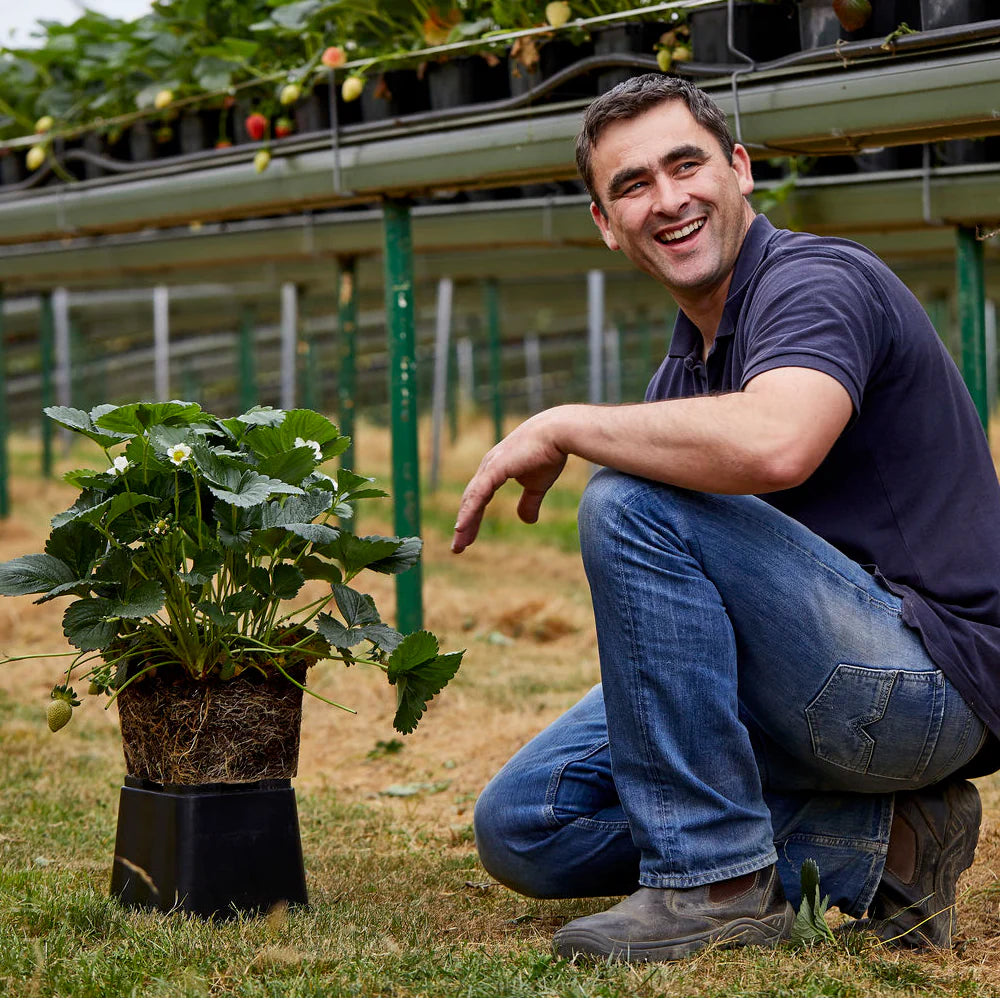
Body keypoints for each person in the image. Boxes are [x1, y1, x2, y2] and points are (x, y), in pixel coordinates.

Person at [450, 73, 1000, 963]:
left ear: (739, 169)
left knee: (628, 495)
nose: (667, 200)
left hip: (923, 681)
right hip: (803, 683)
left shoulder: (818, 280)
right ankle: (887, 847)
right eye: (631, 185)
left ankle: (713, 884)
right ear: (603, 222)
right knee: (525, 824)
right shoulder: (684, 369)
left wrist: (564, 424)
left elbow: (779, 442)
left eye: (685, 165)